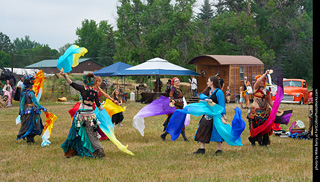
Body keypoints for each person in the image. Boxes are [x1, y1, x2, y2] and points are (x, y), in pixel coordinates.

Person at [60, 71, 106, 158]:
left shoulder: (82, 89)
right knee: (92, 134)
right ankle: (98, 151)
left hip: (81, 116)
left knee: (76, 133)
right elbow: (99, 106)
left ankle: (73, 151)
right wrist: (102, 110)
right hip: (91, 116)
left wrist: (65, 76)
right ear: (92, 83)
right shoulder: (95, 92)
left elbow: (71, 83)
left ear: (85, 82)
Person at [193, 76, 227, 155]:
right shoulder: (209, 91)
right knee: (203, 128)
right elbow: (200, 95)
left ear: (212, 82)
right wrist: (206, 98)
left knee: (217, 131)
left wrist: (224, 115)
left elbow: (222, 105)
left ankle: (219, 150)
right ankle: (202, 148)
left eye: (208, 81)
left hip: (216, 115)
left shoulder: (219, 92)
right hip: (208, 114)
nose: (207, 82)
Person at [247, 70, 273, 147]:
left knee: (265, 127)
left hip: (265, 112)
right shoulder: (255, 88)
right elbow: (258, 81)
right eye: (260, 80)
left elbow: (270, 101)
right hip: (256, 112)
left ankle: (264, 142)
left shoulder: (267, 91)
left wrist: (276, 109)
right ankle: (253, 140)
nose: (261, 82)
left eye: (263, 80)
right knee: (255, 126)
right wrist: (265, 74)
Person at [16, 76, 46, 143]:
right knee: (34, 125)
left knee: (26, 125)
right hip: (31, 111)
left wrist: (21, 111)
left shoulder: (22, 92)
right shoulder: (30, 93)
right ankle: (30, 139)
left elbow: (21, 102)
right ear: (30, 85)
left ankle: (29, 139)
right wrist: (43, 108)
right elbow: (36, 103)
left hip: (24, 111)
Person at [161, 77, 188, 141]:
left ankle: (184, 138)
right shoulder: (173, 89)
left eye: (178, 80)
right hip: (176, 108)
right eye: (176, 81)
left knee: (181, 121)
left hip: (181, 108)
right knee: (174, 122)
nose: (178, 82)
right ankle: (164, 134)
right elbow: (170, 95)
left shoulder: (179, 90)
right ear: (173, 83)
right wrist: (172, 100)